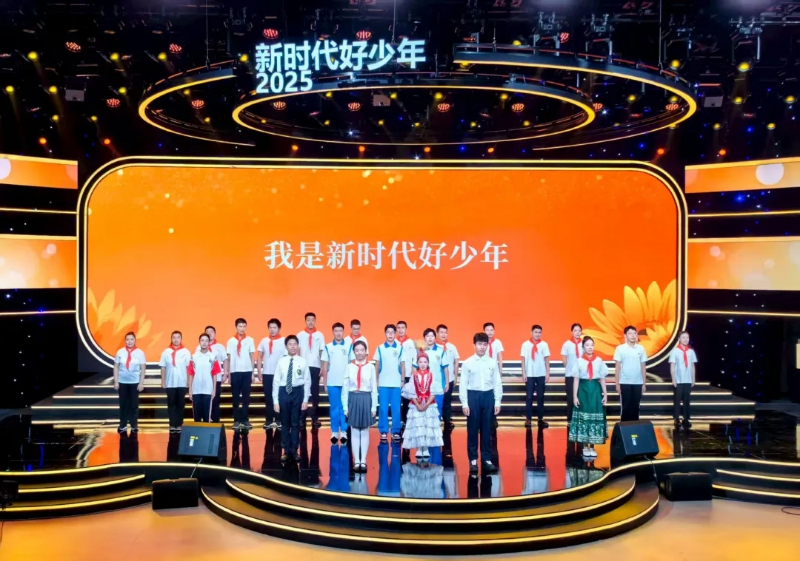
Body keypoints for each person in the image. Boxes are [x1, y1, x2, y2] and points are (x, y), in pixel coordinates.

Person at [459, 333, 502, 474]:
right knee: (472, 429)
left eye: (484, 344)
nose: (482, 347)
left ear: (487, 345)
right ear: (474, 345)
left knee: (487, 430)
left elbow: (497, 382)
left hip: (488, 396)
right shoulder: (467, 363)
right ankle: (473, 460)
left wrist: (497, 401)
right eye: (479, 344)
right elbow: (463, 384)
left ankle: (487, 459)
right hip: (473, 396)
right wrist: (464, 403)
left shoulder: (492, 363)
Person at [273, 335, 311, 462]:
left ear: (298, 346)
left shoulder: (303, 361)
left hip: (297, 392)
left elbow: (307, 381)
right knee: (285, 423)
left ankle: (294, 450)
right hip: (284, 392)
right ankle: (285, 450)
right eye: (290, 344)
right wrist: (275, 401)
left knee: (295, 423)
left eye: (295, 344)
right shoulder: (281, 362)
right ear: (286, 346)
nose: (293, 346)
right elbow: (276, 382)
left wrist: (305, 399)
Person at [569, 336, 609, 457]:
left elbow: (602, 379)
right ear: (583, 347)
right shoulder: (579, 361)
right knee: (584, 417)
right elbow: (576, 380)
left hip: (595, 390)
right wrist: (575, 396)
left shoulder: (599, 361)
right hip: (583, 390)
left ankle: (592, 446)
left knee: (594, 417)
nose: (590, 347)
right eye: (587, 345)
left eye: (592, 345)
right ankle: (585, 446)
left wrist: (605, 393)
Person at [342, 340, 378, 472]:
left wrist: (374, 407)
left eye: (362, 350)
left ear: (366, 351)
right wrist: (345, 406)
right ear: (354, 352)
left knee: (365, 430)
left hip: (366, 398)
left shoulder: (371, 367)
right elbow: (345, 388)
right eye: (357, 350)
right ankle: (357, 461)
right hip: (353, 398)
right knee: (355, 430)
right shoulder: (349, 367)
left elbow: (374, 388)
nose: (359, 353)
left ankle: (363, 461)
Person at [402, 351, 444, 461]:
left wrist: (426, 404)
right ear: (417, 363)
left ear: (428, 363)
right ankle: (419, 448)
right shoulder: (414, 375)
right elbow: (411, 392)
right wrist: (417, 404)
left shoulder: (431, 375)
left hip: (429, 404)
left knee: (427, 425)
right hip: (416, 404)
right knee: (418, 426)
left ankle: (425, 448)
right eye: (420, 362)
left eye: (425, 362)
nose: (423, 364)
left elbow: (434, 392)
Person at [375, 324, 404, 442]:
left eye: (392, 332)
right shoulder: (380, 348)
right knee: (383, 408)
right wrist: (376, 380)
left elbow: (402, 364)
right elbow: (377, 365)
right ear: (385, 334)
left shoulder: (400, 348)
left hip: (396, 384)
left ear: (395, 334)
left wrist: (402, 380)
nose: (390, 334)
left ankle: (396, 431)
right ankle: (383, 430)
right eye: (388, 332)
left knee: (396, 409)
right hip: (383, 384)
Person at [322, 322, 350, 443]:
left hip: (346, 384)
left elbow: (352, 364)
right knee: (334, 408)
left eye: (340, 331)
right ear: (333, 332)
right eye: (336, 331)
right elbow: (325, 366)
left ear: (343, 332)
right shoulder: (328, 347)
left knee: (344, 408)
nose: (338, 333)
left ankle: (343, 431)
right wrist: (325, 383)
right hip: (332, 383)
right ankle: (334, 431)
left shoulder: (349, 346)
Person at [226, 318, 256, 431]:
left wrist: (252, 373)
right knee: (235, 397)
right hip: (234, 372)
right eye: (240, 326)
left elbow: (252, 356)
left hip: (246, 372)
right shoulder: (230, 341)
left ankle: (245, 418)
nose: (242, 328)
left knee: (246, 397)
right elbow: (228, 358)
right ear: (236, 327)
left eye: (244, 326)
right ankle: (236, 419)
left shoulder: (250, 340)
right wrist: (228, 373)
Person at [297, 312, 325, 428]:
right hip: (303, 367)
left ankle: (314, 417)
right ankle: (301, 417)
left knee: (315, 392)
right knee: (302, 391)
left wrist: (322, 366)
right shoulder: (300, 335)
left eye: (312, 320)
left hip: (315, 366)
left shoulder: (320, 335)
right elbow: (297, 350)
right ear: (305, 321)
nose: (310, 322)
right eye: (308, 320)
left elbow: (322, 351)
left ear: (315, 321)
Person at [113, 332, 146, 433]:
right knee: (123, 404)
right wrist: (116, 381)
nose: (129, 341)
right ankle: (122, 425)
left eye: (131, 339)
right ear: (125, 341)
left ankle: (134, 425)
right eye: (127, 339)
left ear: (135, 340)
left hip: (134, 382)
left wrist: (141, 383)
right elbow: (116, 367)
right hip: (122, 382)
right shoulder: (120, 352)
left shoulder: (140, 353)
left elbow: (143, 369)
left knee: (133, 405)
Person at [613, 326, 648, 422]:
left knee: (636, 407)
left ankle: (635, 427)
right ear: (625, 335)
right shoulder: (620, 349)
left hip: (638, 382)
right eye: (630, 333)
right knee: (626, 407)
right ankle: (624, 428)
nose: (633, 335)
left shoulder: (641, 349)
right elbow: (617, 367)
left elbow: (643, 366)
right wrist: (617, 383)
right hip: (624, 382)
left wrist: (644, 383)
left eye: (634, 333)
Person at [159, 331, 191, 432]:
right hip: (170, 383)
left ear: (181, 339)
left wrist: (189, 382)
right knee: (171, 404)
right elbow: (163, 367)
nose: (176, 339)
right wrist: (163, 380)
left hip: (182, 382)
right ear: (171, 339)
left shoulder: (186, 352)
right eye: (174, 337)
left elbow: (189, 368)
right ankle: (172, 424)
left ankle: (179, 424)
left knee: (180, 404)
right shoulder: (166, 352)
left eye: (178, 337)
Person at [413, 328, 449, 417]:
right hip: (422, 387)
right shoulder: (420, 351)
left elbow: (445, 368)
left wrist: (447, 383)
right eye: (427, 336)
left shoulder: (441, 351)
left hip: (437, 385)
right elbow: (414, 368)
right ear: (424, 338)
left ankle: (437, 425)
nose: (430, 338)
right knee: (424, 412)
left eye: (432, 336)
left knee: (437, 409)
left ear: (435, 338)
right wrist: (415, 383)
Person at [257, 318, 285, 430]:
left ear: (279, 328)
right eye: (270, 327)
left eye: (275, 327)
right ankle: (268, 420)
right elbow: (259, 357)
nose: (272, 330)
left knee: (279, 397)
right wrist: (259, 371)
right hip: (267, 374)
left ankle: (278, 420)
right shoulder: (264, 341)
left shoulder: (284, 341)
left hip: (279, 374)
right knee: (268, 397)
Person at [521, 324, 551, 429]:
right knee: (529, 397)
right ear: (531, 332)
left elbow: (547, 359)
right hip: (529, 374)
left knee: (540, 397)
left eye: (539, 332)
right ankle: (528, 419)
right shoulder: (525, 345)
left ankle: (540, 419)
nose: (537, 334)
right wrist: (523, 373)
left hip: (541, 374)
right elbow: (523, 360)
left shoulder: (544, 345)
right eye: (535, 332)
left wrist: (548, 373)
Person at [188, 333, 222, 422]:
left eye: (206, 341)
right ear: (199, 342)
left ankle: (206, 430)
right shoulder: (194, 357)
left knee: (207, 416)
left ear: (209, 342)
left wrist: (214, 390)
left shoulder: (212, 357)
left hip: (208, 390)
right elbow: (191, 374)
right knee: (197, 416)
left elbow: (214, 374)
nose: (204, 343)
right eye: (202, 340)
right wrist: (190, 390)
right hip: (196, 390)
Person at [198, 326, 227, 423]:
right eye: (207, 332)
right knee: (203, 400)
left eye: (212, 331)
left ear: (215, 334)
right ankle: (205, 421)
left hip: (216, 378)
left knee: (215, 400)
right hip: (203, 379)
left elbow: (225, 360)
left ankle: (215, 421)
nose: (210, 333)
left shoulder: (220, 347)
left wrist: (225, 373)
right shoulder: (198, 348)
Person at [669, 331, 698, 429]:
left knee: (687, 400)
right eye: (683, 337)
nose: (685, 339)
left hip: (688, 379)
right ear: (679, 339)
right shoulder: (675, 351)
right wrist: (673, 379)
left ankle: (686, 418)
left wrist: (693, 378)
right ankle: (676, 418)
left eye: (687, 337)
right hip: (678, 380)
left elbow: (692, 366)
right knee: (677, 400)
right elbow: (672, 366)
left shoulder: (691, 351)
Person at [436, 324, 460, 431]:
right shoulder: (434, 347)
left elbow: (456, 361)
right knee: (436, 402)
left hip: (449, 379)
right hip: (437, 380)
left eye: (445, 332)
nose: (443, 334)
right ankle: (435, 422)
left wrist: (455, 376)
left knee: (447, 401)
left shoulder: (451, 347)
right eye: (441, 332)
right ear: (437, 333)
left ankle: (447, 422)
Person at [560, 323, 583, 425]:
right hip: (570, 375)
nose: (577, 332)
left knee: (581, 397)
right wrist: (569, 368)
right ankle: (570, 419)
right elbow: (564, 359)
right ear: (571, 332)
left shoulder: (585, 343)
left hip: (582, 375)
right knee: (570, 397)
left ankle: (581, 418)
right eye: (575, 330)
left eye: (579, 330)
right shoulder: (567, 344)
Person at [396, 320, 416, 427]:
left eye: (402, 328)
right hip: (396, 376)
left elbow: (414, 359)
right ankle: (397, 421)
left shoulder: (410, 342)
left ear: (406, 329)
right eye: (398, 328)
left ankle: (405, 420)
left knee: (406, 400)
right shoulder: (394, 342)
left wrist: (413, 375)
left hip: (408, 375)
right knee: (396, 400)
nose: (400, 330)